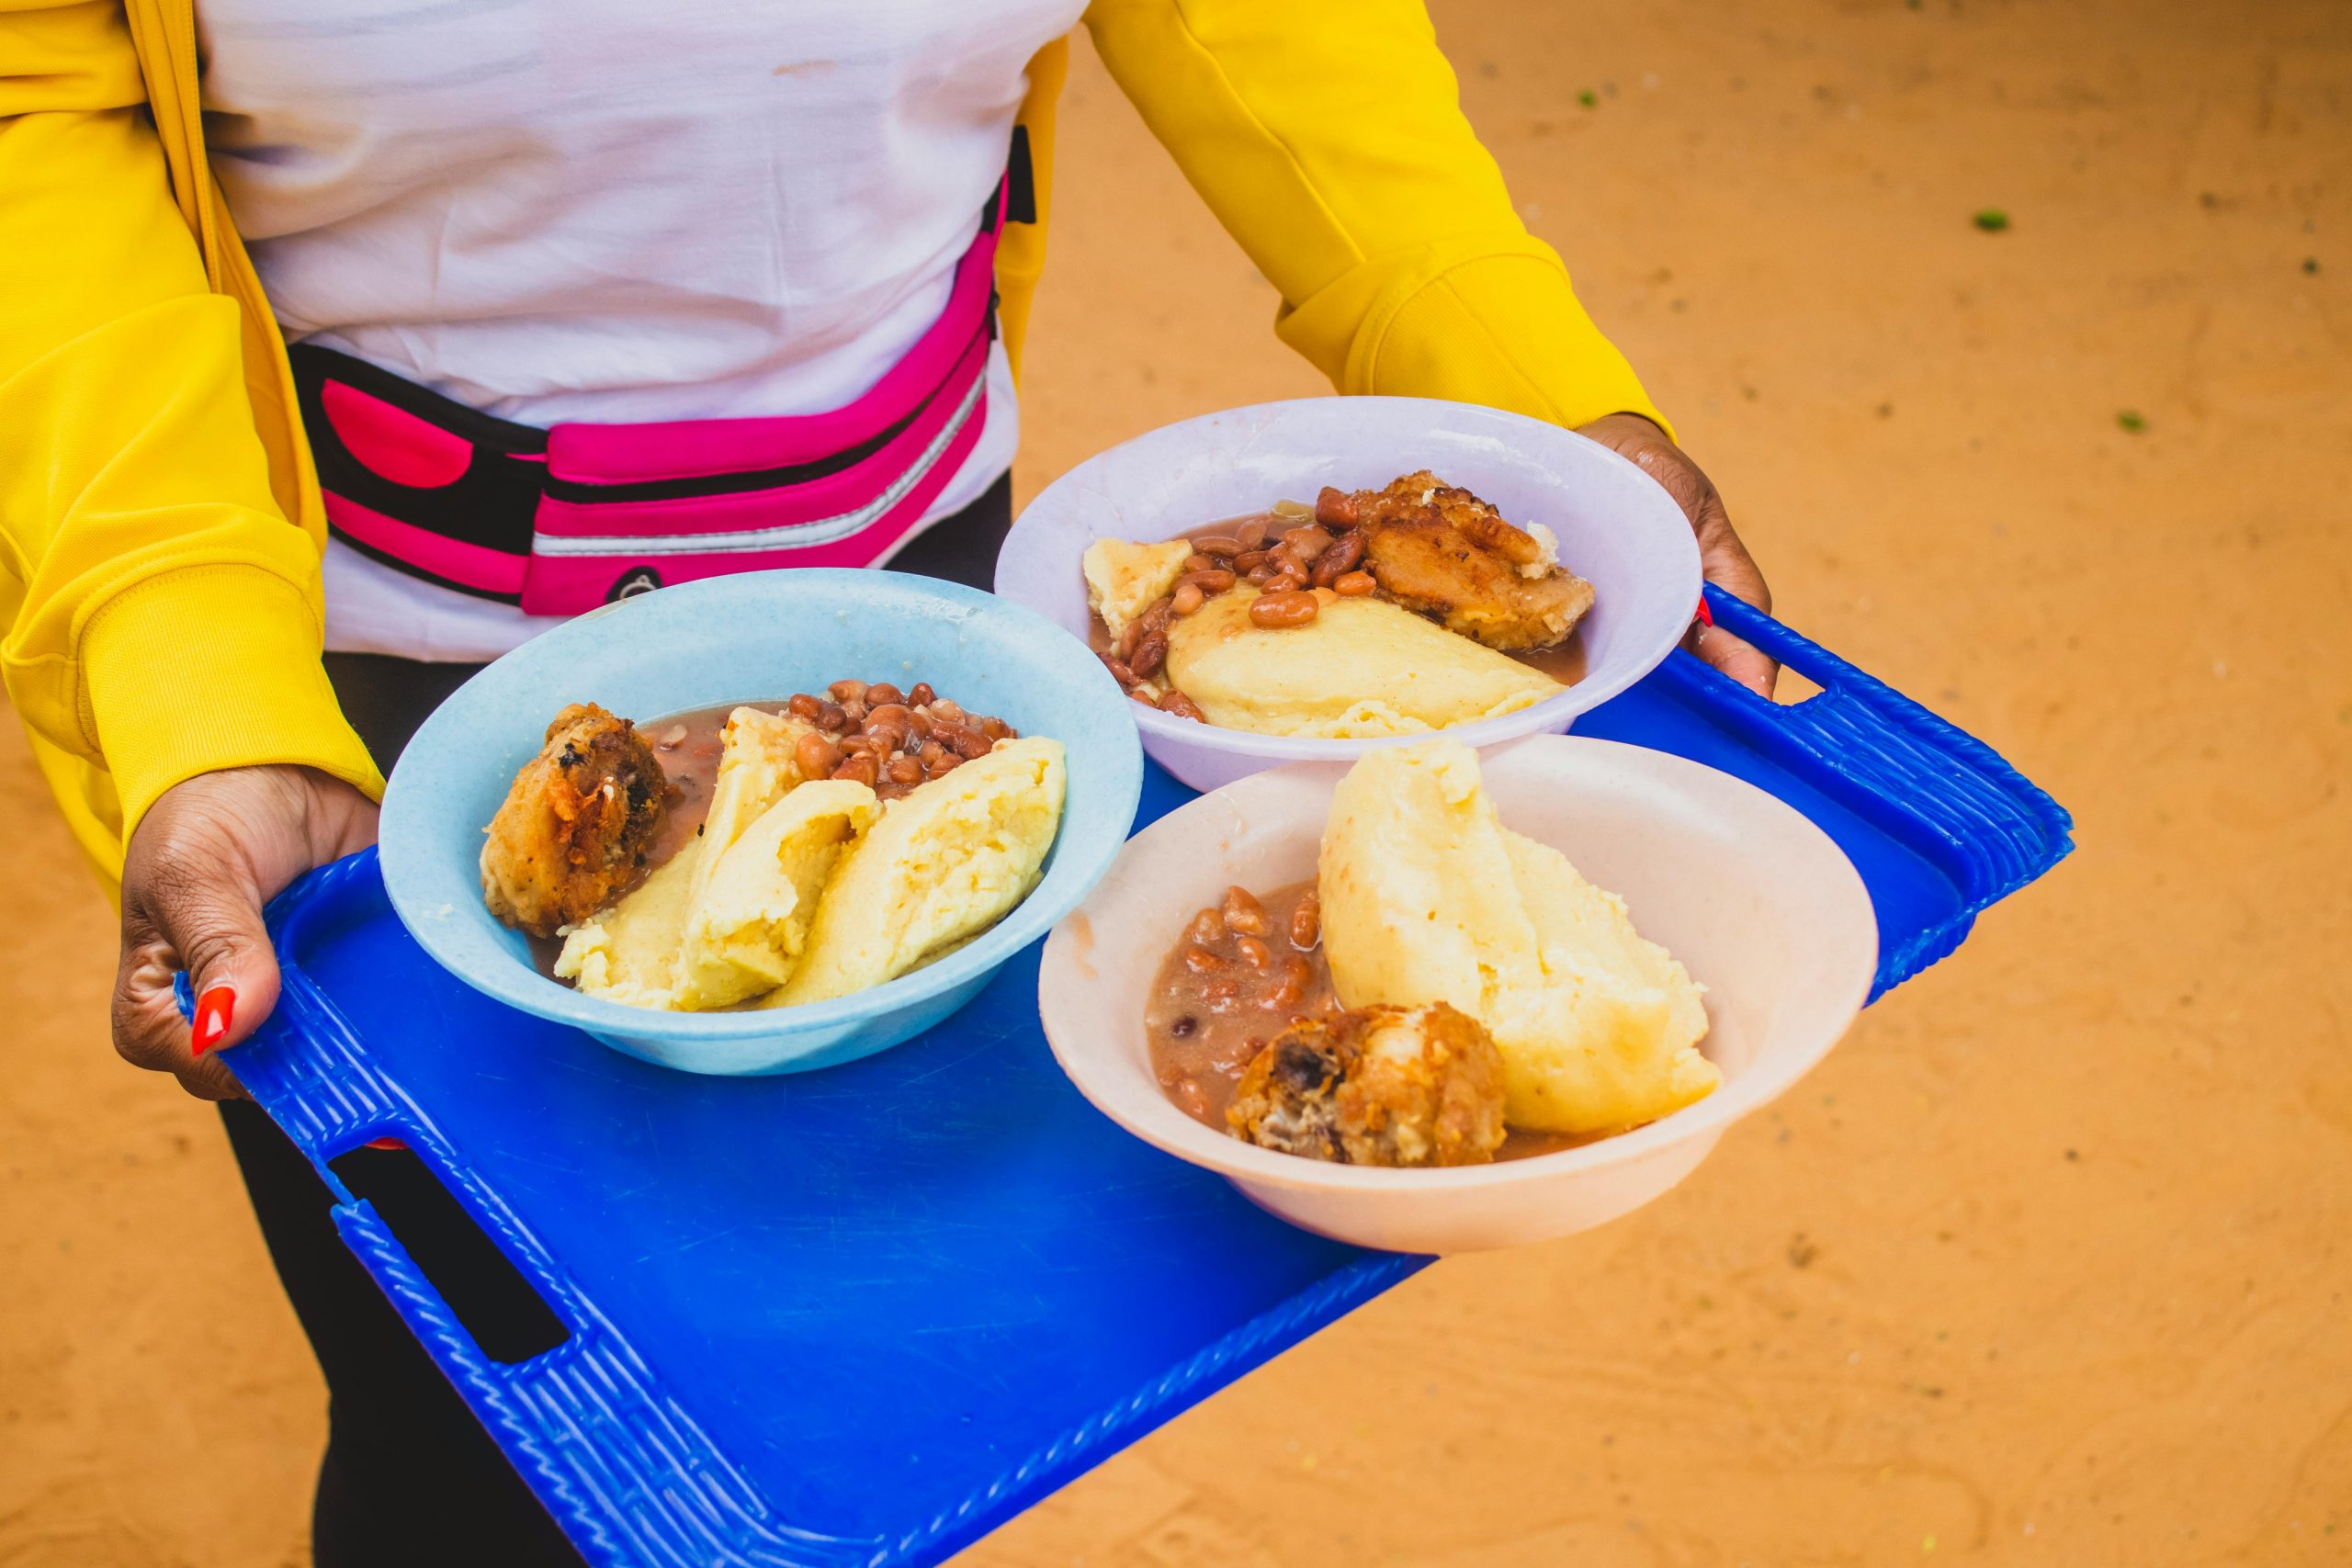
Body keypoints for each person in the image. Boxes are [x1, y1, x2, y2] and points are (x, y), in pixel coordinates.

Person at [2, 1, 1773, 1561]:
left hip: (950, 647)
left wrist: (1530, 407)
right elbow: (39, 104)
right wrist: (191, 689)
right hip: (371, 714)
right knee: (479, 1444)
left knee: (884, 1356)